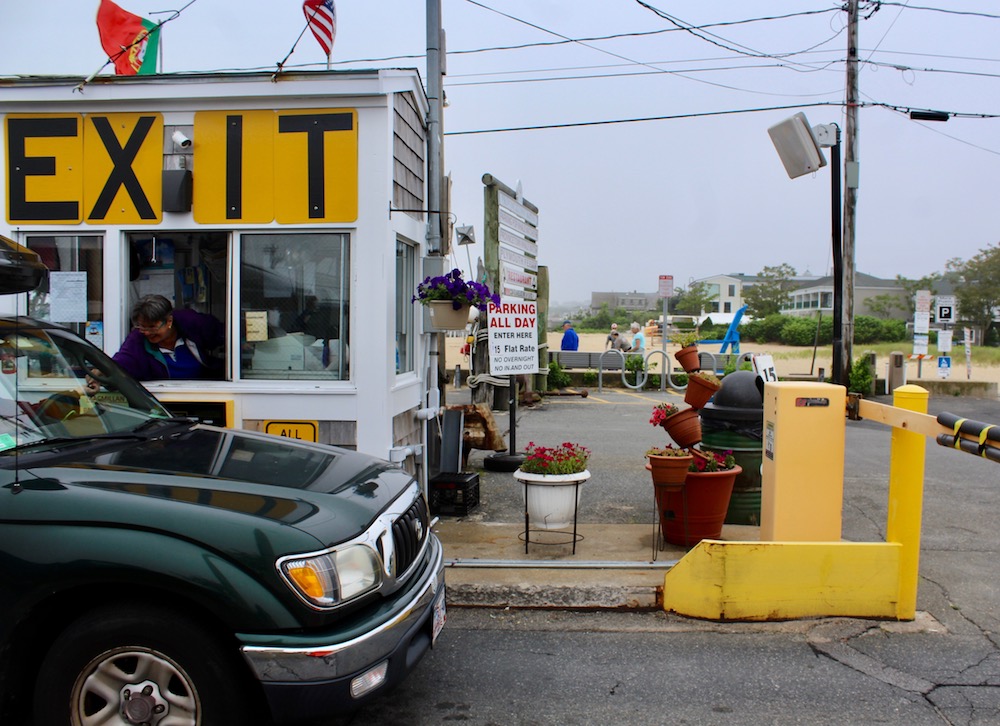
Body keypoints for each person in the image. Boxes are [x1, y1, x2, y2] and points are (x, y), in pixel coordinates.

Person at [113, 295, 225, 381]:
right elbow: (121, 362)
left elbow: (226, 335)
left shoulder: (192, 323)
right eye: (142, 327)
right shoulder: (137, 338)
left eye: (152, 327)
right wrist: (98, 374)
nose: (146, 333)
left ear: (169, 321)